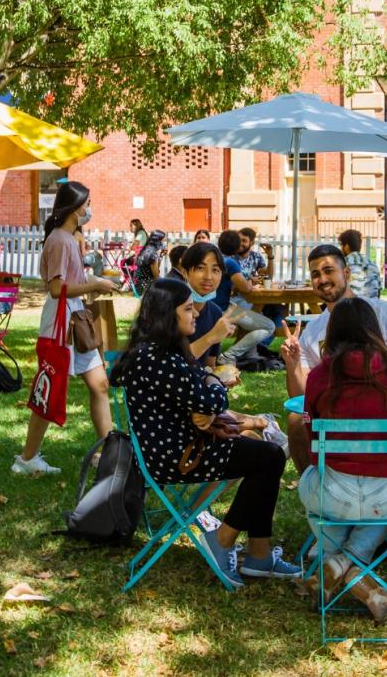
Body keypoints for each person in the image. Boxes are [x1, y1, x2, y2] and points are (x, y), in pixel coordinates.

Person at [112, 278, 301, 586]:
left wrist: (208, 381)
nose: (196, 314)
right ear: (166, 315)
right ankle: (227, 541)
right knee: (269, 457)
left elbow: (202, 393)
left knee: (266, 455)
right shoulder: (157, 358)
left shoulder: (160, 352)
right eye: (188, 309)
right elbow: (212, 399)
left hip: (181, 448)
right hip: (174, 458)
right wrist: (214, 380)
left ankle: (259, 554)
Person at [295, 298, 387, 621]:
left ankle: (336, 561)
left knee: (309, 482)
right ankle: (351, 567)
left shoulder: (320, 377)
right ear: (375, 329)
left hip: (334, 494)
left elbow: (313, 446)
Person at [281, 244, 387, 472]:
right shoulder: (312, 331)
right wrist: (293, 364)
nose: (322, 279)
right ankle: (318, 487)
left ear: (346, 273)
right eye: (315, 274)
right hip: (336, 418)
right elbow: (300, 397)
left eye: (328, 271)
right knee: (296, 422)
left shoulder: (383, 312)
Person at [12, 181, 119, 475]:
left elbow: (69, 285)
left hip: (74, 321)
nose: (89, 209)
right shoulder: (60, 239)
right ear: (74, 207)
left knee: (100, 384)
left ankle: (109, 451)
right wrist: (94, 283)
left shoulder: (68, 238)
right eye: (86, 203)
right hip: (61, 325)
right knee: (49, 391)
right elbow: (57, 288)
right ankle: (27, 458)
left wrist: (93, 289)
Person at [214, 230, 276, 367]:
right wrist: (251, 282)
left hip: (215, 305)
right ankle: (230, 355)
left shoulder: (215, 257)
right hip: (223, 309)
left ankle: (245, 353)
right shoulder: (231, 262)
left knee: (252, 312)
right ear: (235, 246)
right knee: (269, 326)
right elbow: (246, 288)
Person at [179, 242, 239, 366]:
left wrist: (217, 378)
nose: (208, 277)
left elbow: (209, 365)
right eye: (200, 268)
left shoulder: (216, 313)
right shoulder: (170, 308)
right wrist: (212, 336)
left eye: (215, 270)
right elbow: (170, 365)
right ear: (184, 272)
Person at [338, 229, 381, 299]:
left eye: (341, 245)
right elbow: (378, 293)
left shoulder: (342, 264)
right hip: (372, 307)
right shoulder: (373, 265)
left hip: (349, 307)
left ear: (347, 247)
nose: (340, 248)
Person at [133, 230, 166, 295]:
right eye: (162, 241)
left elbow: (152, 269)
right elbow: (156, 275)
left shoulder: (144, 251)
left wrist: (161, 256)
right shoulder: (153, 254)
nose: (163, 244)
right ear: (157, 241)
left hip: (138, 287)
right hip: (148, 289)